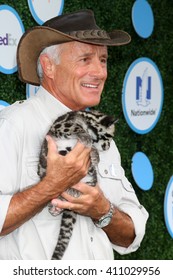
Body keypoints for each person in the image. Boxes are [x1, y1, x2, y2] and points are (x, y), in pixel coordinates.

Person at [0, 9, 148, 260]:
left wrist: (102, 210)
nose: (100, 72)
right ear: (48, 66)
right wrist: (49, 187)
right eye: (85, 60)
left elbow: (132, 235)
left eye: (103, 60)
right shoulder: (14, 125)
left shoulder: (102, 137)